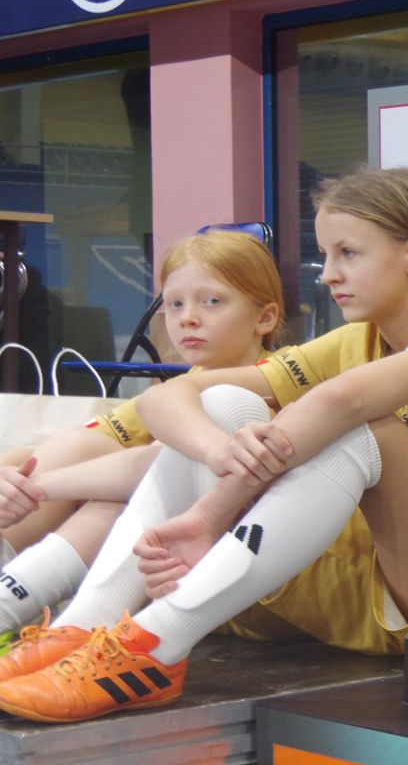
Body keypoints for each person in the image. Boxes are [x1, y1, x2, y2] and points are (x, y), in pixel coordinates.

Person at [0, 167, 408, 722]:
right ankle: (84, 625)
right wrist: (217, 450)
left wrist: (210, 513)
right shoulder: (352, 341)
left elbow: (343, 402)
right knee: (224, 403)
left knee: (366, 429)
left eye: (348, 253)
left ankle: (155, 644)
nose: (329, 274)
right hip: (365, 598)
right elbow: (170, 398)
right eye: (327, 255)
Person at [0, 227, 284, 652]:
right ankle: (22, 601)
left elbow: (152, 468)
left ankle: (22, 608)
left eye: (212, 302)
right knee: (78, 450)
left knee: (132, 482)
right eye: (175, 303)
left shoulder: (277, 382)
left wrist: (36, 486)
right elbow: (84, 442)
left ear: (265, 317)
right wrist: (10, 478)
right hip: (175, 566)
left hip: (252, 579)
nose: (187, 317)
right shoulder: (187, 384)